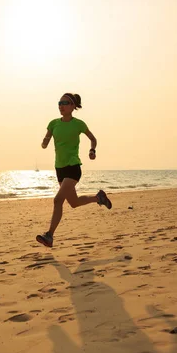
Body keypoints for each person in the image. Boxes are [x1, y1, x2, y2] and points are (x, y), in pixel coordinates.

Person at [36, 93, 112, 248]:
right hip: (60, 168)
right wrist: (44, 142)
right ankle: (99, 198)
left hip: (73, 167)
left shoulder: (79, 124)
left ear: (72, 106)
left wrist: (92, 151)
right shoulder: (53, 123)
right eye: (59, 102)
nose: (61, 105)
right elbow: (46, 139)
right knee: (74, 203)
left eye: (65, 103)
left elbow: (93, 138)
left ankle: (49, 235)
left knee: (58, 200)